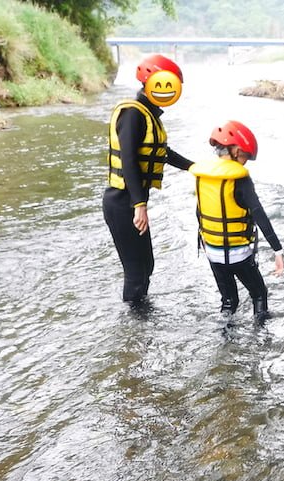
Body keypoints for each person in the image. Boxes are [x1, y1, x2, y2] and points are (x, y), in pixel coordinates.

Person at [103, 53, 193, 305]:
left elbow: (160, 153)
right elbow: (129, 160)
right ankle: (133, 332)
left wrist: (193, 168)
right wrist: (139, 205)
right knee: (136, 273)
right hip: (122, 203)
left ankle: (139, 329)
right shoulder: (132, 114)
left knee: (147, 266)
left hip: (129, 202)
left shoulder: (146, 114)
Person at [189, 120, 284, 324]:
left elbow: (200, 213)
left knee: (228, 301)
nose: (245, 161)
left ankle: (226, 343)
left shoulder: (202, 174)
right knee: (259, 294)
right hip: (238, 254)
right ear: (235, 150)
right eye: (245, 156)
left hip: (213, 253)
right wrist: (278, 251)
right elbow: (259, 214)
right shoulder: (239, 179)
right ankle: (260, 344)